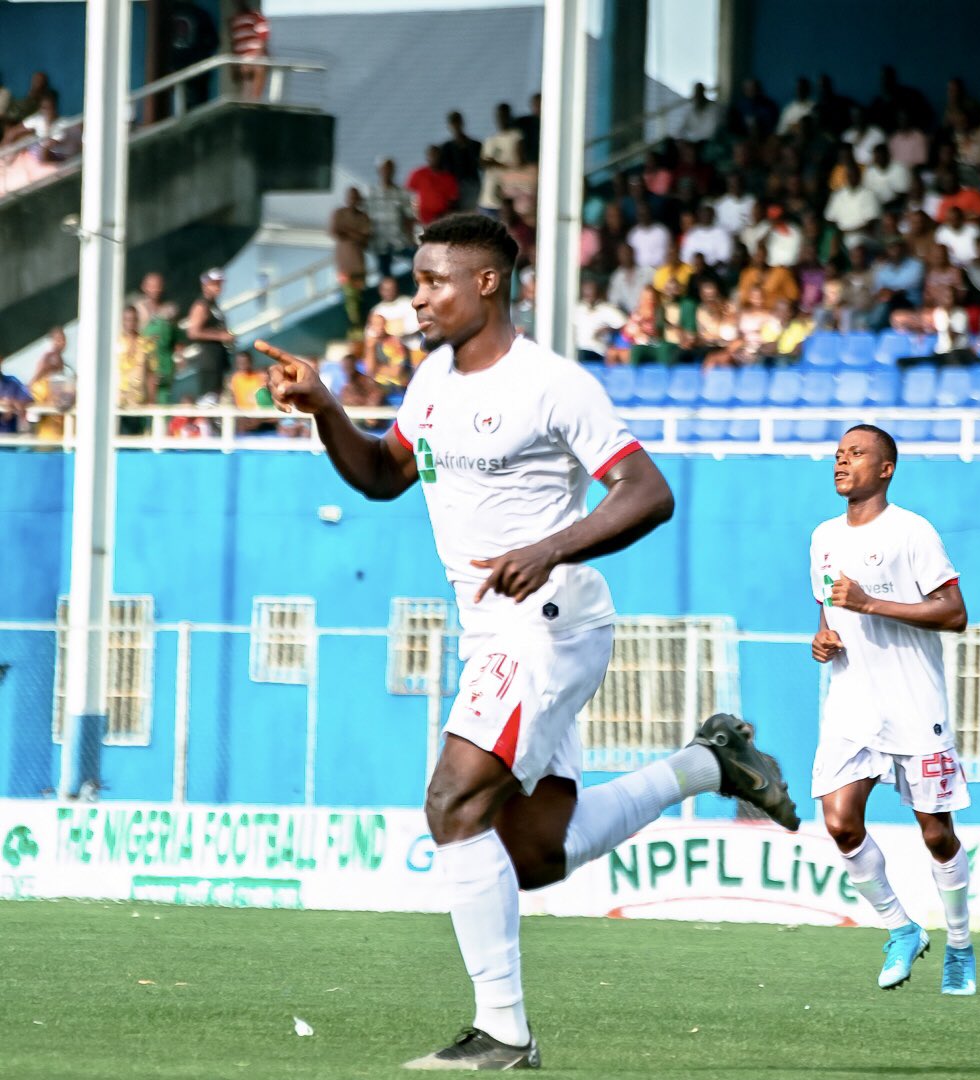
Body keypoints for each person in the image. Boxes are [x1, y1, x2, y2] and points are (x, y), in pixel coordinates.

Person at [255, 213, 798, 1070]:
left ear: (487, 284)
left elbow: (647, 493)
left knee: (453, 803)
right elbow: (383, 477)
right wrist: (324, 407)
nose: (417, 297)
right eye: (416, 281)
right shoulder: (432, 376)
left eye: (434, 282)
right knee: (531, 854)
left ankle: (504, 1035)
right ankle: (709, 764)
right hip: (493, 626)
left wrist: (548, 546)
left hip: (545, 618)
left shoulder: (554, 384)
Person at [810, 425, 975, 996]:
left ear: (885, 469)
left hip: (915, 706)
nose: (842, 462)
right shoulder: (823, 537)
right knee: (839, 821)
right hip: (852, 704)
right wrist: (823, 638)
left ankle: (958, 943)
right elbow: (830, 612)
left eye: (856, 454)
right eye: (838, 454)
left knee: (936, 835)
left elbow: (954, 613)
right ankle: (900, 927)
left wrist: (870, 602)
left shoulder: (911, 531)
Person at [185, 269, 234, 399]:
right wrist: (220, 336)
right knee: (208, 399)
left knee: (219, 397)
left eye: (219, 283)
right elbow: (193, 332)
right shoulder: (201, 305)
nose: (218, 287)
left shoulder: (214, 305)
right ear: (205, 285)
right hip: (209, 361)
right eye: (214, 283)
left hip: (218, 360)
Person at [329, 187, 372, 332]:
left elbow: (366, 237)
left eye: (356, 197)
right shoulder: (339, 213)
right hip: (343, 265)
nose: (353, 200)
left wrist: (347, 231)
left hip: (359, 265)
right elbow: (335, 231)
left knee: (359, 298)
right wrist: (356, 234)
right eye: (351, 197)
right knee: (348, 298)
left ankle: (360, 327)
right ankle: (353, 328)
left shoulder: (363, 216)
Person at [133, 272, 179, 403]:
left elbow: (176, 338)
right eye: (151, 286)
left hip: (164, 362)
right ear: (144, 287)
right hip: (143, 361)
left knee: (163, 400)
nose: (155, 289)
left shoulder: (170, 310)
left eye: (158, 286)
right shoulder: (138, 309)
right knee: (145, 399)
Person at [368, 158, 415, 277]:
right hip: (380, 241)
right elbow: (364, 216)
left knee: (417, 260)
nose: (387, 172)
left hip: (399, 239)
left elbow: (409, 218)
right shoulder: (371, 192)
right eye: (384, 169)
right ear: (379, 171)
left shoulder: (402, 193)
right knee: (385, 277)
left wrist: (411, 239)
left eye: (390, 169)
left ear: (393, 171)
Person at [116, 305, 158, 433]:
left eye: (133, 319)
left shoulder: (145, 343)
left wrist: (151, 399)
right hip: (117, 400)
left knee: (136, 436)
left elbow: (151, 374)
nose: (130, 323)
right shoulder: (115, 343)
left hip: (138, 399)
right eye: (127, 319)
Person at [477, 103, 523, 217]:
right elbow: (483, 163)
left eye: (503, 115)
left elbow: (518, 165)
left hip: (506, 201)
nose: (500, 119)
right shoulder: (491, 139)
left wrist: (495, 163)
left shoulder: (516, 137)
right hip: (487, 199)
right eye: (498, 116)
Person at [406, 145, 460, 227]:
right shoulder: (418, 173)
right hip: (422, 218)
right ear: (427, 157)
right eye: (431, 155)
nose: (434, 158)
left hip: (442, 218)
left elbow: (453, 200)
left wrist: (446, 215)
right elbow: (407, 193)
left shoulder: (448, 177)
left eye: (436, 155)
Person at [228, 1, 271, 101]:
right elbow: (264, 35)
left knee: (249, 84)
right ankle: (252, 103)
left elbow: (263, 36)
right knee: (251, 85)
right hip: (249, 58)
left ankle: (250, 103)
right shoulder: (250, 17)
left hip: (247, 58)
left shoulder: (238, 19)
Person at [441, 111, 482, 210]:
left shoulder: (475, 145)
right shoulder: (446, 148)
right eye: (453, 123)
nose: (456, 126)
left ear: (462, 123)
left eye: (457, 122)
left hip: (472, 186)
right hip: (454, 188)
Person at [0, 352, 31, 435]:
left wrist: (15, 403)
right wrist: (3, 403)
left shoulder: (12, 382)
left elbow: (28, 398)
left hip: (9, 439)